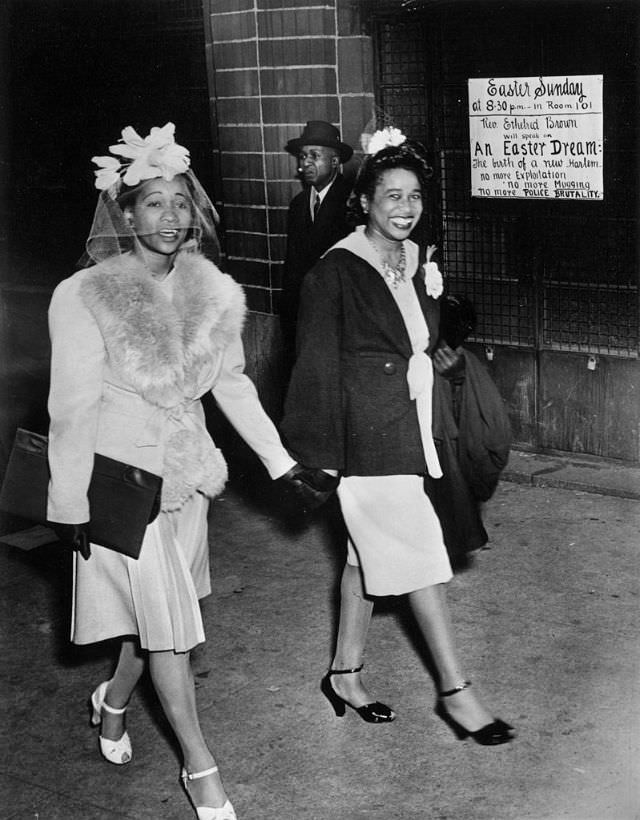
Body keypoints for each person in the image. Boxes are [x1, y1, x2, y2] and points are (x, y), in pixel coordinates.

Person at [46, 123, 327, 820]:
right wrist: (68, 501)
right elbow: (71, 407)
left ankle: (113, 701)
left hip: (190, 478)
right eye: (154, 203)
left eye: (180, 202)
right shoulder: (85, 295)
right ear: (125, 214)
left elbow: (232, 385)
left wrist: (282, 463)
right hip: (123, 486)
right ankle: (201, 769)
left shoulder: (213, 289)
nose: (171, 217)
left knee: (161, 623)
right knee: (170, 628)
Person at [281, 129, 515, 745]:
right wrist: (318, 459)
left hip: (414, 423)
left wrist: (441, 362)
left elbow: (417, 336)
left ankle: (344, 673)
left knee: (364, 557)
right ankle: (457, 693)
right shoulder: (334, 271)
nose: (405, 208)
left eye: (414, 195)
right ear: (363, 201)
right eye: (391, 195)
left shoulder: (415, 257)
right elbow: (314, 367)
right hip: (363, 435)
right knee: (417, 555)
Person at [280, 121, 353, 370]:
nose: (305, 163)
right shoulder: (298, 205)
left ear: (334, 161)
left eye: (314, 155)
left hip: (339, 320)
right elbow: (292, 268)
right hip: (303, 321)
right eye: (302, 156)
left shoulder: (352, 202)